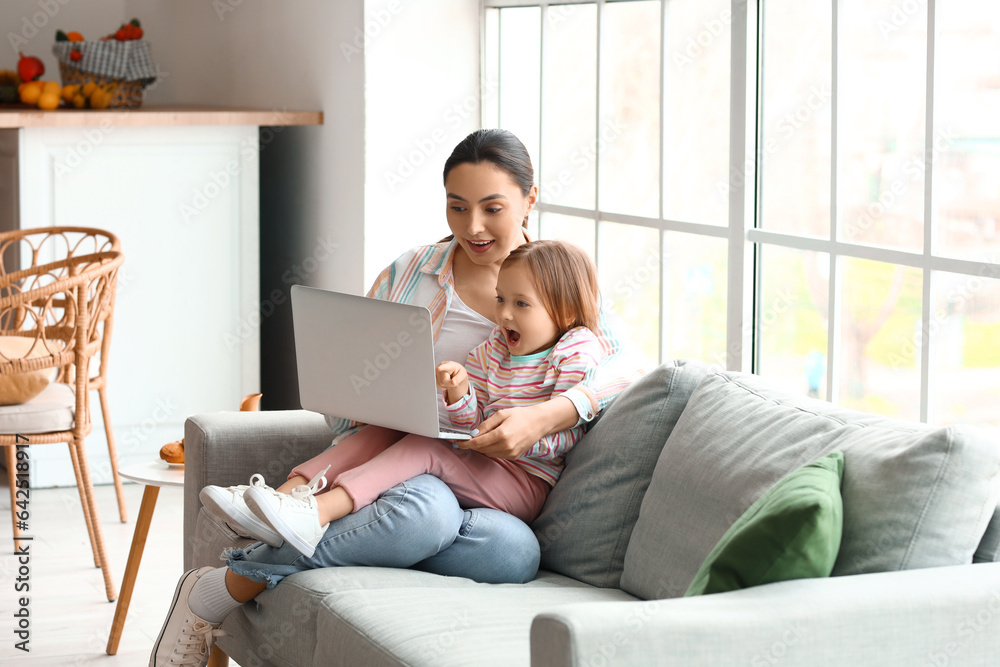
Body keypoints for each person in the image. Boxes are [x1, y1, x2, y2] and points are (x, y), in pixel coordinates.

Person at [149, 129, 647, 667]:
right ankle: (286, 514)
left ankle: (282, 549)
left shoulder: (555, 281)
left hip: (488, 482)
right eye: (457, 207)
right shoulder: (413, 274)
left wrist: (549, 414)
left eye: (492, 208)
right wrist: (387, 388)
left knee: (514, 553)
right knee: (425, 510)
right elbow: (352, 386)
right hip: (402, 460)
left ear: (530, 199)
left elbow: (627, 366)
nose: (473, 227)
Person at [201, 240, 604, 559]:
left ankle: (317, 513)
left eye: (521, 305)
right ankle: (277, 498)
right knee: (388, 429)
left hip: (526, 480)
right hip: (482, 462)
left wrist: (524, 432)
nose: (505, 315)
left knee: (425, 447)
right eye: (501, 300)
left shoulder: (574, 350)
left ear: (565, 310)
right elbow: (468, 422)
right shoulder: (490, 350)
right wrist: (459, 393)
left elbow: (569, 433)